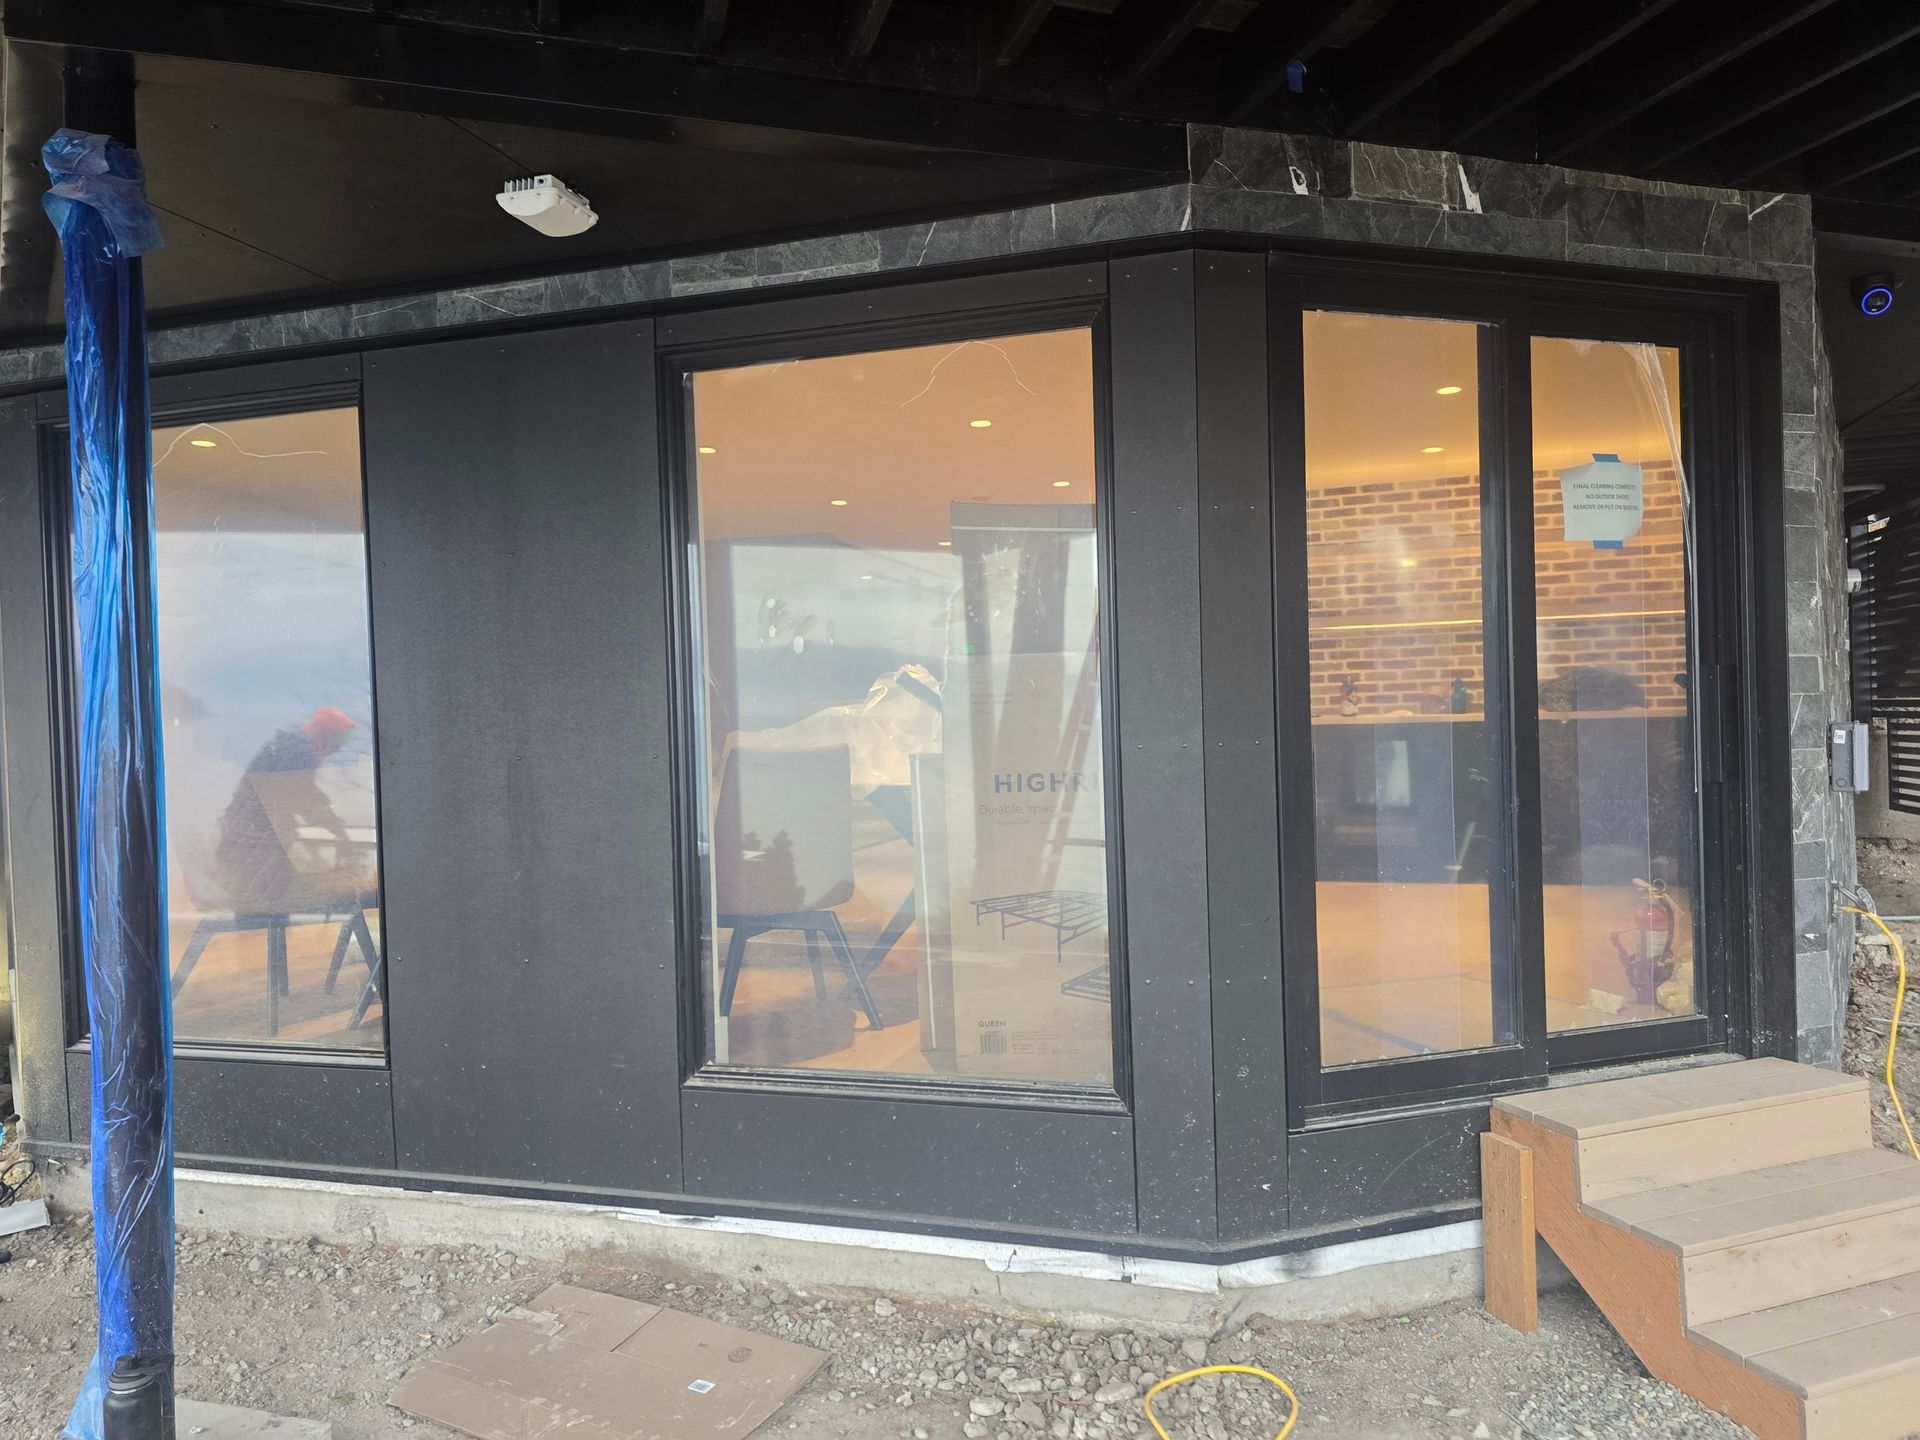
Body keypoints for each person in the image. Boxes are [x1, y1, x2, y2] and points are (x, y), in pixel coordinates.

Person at [214, 707, 374, 916]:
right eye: (338, 739)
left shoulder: (292, 747)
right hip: (255, 841)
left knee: (264, 903)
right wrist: (337, 829)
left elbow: (306, 794)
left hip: (251, 838)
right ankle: (267, 942)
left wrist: (334, 824)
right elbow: (302, 797)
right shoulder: (297, 750)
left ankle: (269, 941)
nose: (338, 749)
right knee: (266, 906)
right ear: (325, 733)